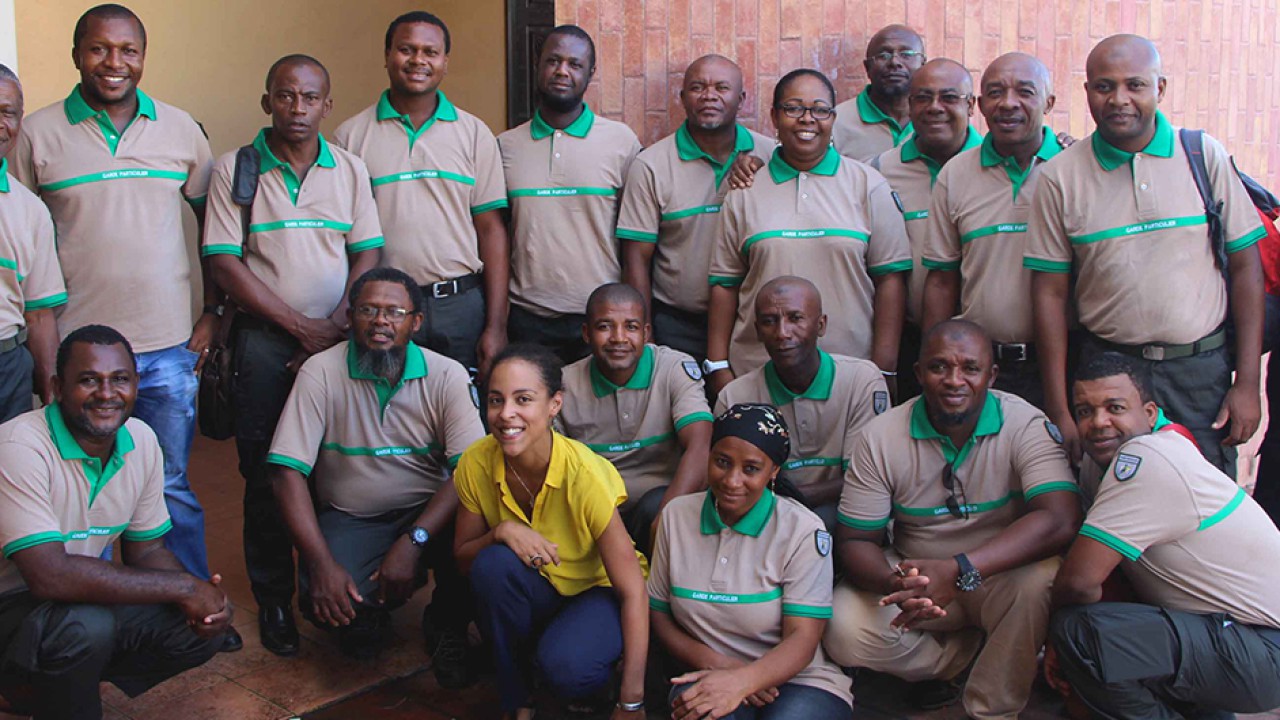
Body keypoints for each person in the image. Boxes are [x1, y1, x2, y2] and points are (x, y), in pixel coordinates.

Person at [9, 3, 219, 596]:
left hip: (167, 348)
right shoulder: (37, 134)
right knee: (78, 488)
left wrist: (213, 311)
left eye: (128, 50)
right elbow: (19, 228)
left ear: (144, 58)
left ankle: (192, 599)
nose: (114, 62)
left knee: (169, 482)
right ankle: (86, 606)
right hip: (78, 359)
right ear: (76, 55)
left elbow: (216, 232)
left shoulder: (181, 130)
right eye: (99, 49)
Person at [203, 54, 382, 656]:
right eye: (285, 96)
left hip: (338, 341)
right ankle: (276, 598)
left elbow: (367, 254)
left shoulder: (352, 171)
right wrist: (297, 327)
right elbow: (224, 262)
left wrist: (333, 326)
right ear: (267, 102)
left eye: (310, 98)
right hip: (265, 345)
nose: (297, 108)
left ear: (327, 106)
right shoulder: (237, 169)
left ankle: (325, 584)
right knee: (267, 474)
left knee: (331, 465)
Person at [1026, 34, 1265, 476]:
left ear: (1160, 89)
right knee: (1111, 503)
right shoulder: (1059, 178)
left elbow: (1247, 268)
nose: (1119, 99)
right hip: (1106, 376)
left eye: (1135, 85)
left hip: (1199, 376)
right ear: (1087, 92)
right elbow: (1050, 296)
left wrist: (1248, 383)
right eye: (1104, 86)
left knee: (1202, 504)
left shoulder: (1202, 155)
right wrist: (1060, 406)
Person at [826, 319, 1081, 719]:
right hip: (918, 579)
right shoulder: (881, 436)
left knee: (1040, 579)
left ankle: (989, 709)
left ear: (992, 375)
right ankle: (971, 662)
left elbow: (1060, 519)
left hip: (996, 576)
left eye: (970, 368)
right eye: (939, 366)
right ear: (918, 374)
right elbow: (856, 540)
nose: (954, 380)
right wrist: (899, 585)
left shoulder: (1025, 424)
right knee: (841, 627)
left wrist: (961, 569)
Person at [0, 325, 231, 720]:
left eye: (119, 379)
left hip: (64, 605)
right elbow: (50, 576)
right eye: (88, 380)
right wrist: (183, 585)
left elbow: (149, 550)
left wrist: (201, 602)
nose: (107, 394)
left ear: (136, 385)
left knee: (191, 629)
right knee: (85, 625)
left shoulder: (140, 439)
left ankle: (47, 687)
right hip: (10, 605)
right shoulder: (19, 447)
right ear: (56, 386)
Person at [266, 269, 484, 679]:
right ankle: (371, 612)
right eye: (368, 310)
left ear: (415, 323)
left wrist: (414, 541)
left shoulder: (447, 375)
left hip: (432, 514)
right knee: (330, 605)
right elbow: (286, 475)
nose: (381, 321)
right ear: (350, 318)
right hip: (354, 516)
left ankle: (446, 622)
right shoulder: (320, 372)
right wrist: (321, 564)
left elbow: (470, 471)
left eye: (394, 312)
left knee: (481, 528)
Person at [1049, 351, 1280, 719]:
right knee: (1126, 630)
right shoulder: (1104, 460)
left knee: (1080, 633)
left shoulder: (1149, 458)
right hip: (1228, 635)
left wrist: (1054, 644)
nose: (1099, 422)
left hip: (1264, 650)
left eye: (1115, 407)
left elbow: (1079, 583)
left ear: (1150, 414)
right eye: (1084, 411)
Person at [453, 344, 648, 720]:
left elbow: (633, 589)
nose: (506, 413)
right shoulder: (476, 462)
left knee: (568, 669)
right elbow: (463, 559)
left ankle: (598, 673)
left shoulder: (584, 473)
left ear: (554, 404)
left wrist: (632, 700)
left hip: (596, 591)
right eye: (496, 400)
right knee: (492, 565)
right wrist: (502, 532)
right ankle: (518, 698)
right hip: (541, 588)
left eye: (523, 399)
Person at [706, 68, 911, 395]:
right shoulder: (744, 188)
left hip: (849, 376)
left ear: (832, 118)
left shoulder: (868, 185)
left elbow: (890, 280)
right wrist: (717, 367)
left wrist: (883, 368)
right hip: (756, 373)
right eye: (793, 108)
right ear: (774, 116)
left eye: (819, 109)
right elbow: (724, 285)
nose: (807, 119)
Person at [332, 11, 509, 379]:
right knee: (386, 415)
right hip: (382, 309)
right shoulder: (349, 138)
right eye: (406, 49)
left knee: (461, 418)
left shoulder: (474, 134)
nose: (418, 60)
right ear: (386, 56)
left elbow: (491, 231)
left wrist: (496, 324)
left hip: (458, 306)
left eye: (430, 52)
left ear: (445, 61)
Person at [648, 403, 853, 720]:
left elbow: (803, 638)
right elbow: (659, 616)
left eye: (751, 469)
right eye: (722, 462)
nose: (732, 480)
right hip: (708, 671)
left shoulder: (802, 529)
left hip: (797, 681)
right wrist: (724, 668)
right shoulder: (675, 517)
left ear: (773, 471)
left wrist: (745, 679)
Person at [923, 52, 1066, 409]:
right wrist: (933, 365)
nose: (1008, 103)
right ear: (981, 104)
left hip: (1066, 363)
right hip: (978, 368)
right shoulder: (955, 175)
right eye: (996, 92)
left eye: (1024, 92)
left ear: (1048, 102)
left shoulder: (1073, 169)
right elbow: (941, 280)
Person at [616, 55, 773, 365]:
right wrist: (645, 336)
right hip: (678, 324)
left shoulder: (770, 156)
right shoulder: (652, 165)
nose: (709, 95)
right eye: (697, 87)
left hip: (754, 321)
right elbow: (636, 258)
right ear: (683, 98)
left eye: (722, 87)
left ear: (741, 99)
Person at [498, 25, 642, 364]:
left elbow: (638, 241)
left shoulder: (621, 143)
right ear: (538, 64)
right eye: (553, 61)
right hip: (526, 317)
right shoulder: (505, 147)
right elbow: (496, 236)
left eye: (574, 65)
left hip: (601, 320)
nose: (562, 71)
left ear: (590, 74)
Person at [716, 277, 888, 529]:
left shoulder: (862, 381)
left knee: (830, 519)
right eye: (769, 321)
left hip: (843, 509)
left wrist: (796, 498)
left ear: (821, 325)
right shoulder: (735, 396)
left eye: (795, 318)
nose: (782, 333)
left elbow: (868, 477)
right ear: (757, 330)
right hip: (766, 514)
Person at [559, 283, 712, 555]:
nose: (619, 337)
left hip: (659, 503)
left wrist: (665, 518)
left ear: (646, 333)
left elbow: (700, 445)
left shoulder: (673, 368)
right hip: (594, 510)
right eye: (605, 326)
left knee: (658, 506)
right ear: (586, 333)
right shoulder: (565, 384)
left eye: (630, 327)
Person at [870, 58, 981, 400]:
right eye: (923, 97)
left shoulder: (996, 167)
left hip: (983, 341)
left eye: (949, 97)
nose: (935, 108)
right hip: (906, 338)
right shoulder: (880, 171)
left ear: (971, 105)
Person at [0, 66, 64, 423]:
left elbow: (39, 315)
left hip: (6, 370)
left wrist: (53, 397)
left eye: (6, 112)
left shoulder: (31, 211)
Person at [831, 25, 925, 162]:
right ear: (867, 67)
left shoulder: (936, 119)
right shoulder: (835, 123)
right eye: (883, 55)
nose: (895, 62)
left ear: (923, 64)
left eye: (906, 54)